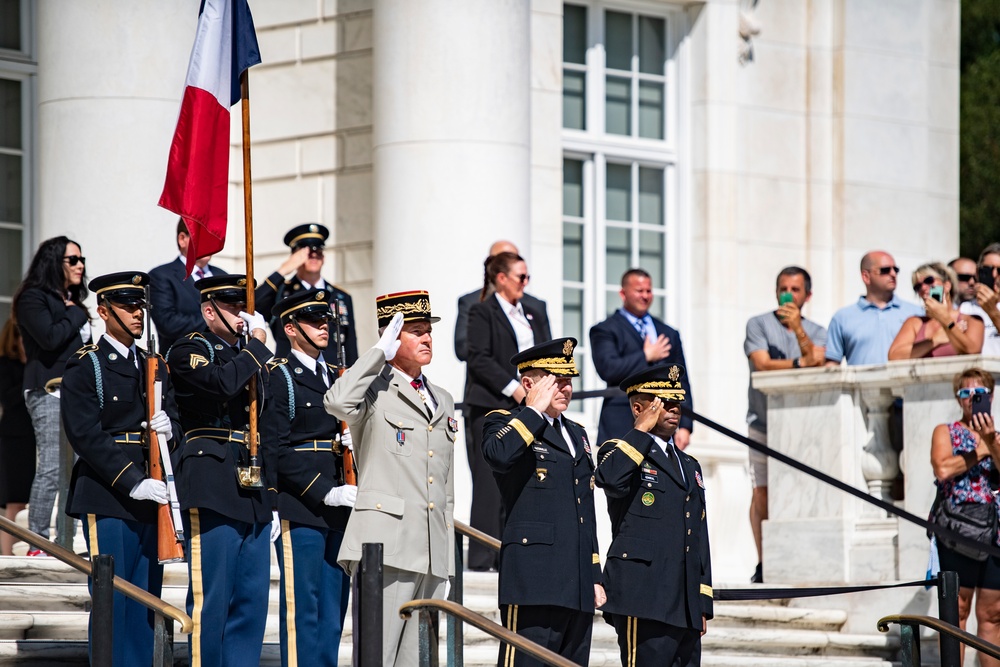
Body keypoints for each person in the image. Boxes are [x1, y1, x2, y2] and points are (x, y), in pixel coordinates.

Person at [324, 292, 455, 667]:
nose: (428, 338)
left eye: (428, 332)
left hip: (429, 550)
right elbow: (336, 402)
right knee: (377, 656)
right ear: (394, 338)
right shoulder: (374, 387)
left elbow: (445, 487)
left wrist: (444, 557)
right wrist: (377, 353)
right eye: (416, 332)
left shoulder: (442, 398)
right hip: (385, 544)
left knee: (418, 661)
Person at [61, 272, 181, 666]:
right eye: (127, 307)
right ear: (103, 311)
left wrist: (171, 427)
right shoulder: (87, 365)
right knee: (114, 598)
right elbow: (85, 434)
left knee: (147, 598)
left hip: (154, 491)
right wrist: (132, 482)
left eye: (140, 307)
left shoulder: (155, 365)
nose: (137, 314)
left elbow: (177, 419)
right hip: (109, 492)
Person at [165, 275, 276, 666]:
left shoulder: (250, 354)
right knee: (213, 598)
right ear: (209, 311)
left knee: (251, 600)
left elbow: (267, 423)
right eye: (232, 308)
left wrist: (273, 497)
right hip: (211, 479)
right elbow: (220, 383)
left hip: (252, 483)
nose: (242, 316)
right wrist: (257, 348)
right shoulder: (189, 349)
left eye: (244, 307)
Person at [482, 337, 605, 667]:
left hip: (576, 581)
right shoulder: (506, 421)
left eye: (568, 381)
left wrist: (594, 572)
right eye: (555, 381)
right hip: (533, 579)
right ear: (528, 384)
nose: (565, 388)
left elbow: (585, 510)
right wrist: (533, 410)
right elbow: (499, 454)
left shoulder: (577, 433)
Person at [595, 364, 712, 667]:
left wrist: (702, 601)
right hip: (643, 596)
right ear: (638, 407)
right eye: (663, 403)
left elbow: (699, 536)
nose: (674, 410)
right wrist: (640, 431)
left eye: (677, 402)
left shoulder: (690, 465)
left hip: (683, 602)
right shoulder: (618, 449)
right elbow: (610, 479)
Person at [264, 288, 355, 666]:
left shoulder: (337, 375)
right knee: (304, 608)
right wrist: (324, 492)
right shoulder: (280, 375)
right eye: (313, 320)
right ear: (290, 328)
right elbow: (276, 448)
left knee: (334, 612)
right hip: (301, 505)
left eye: (326, 320)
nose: (324, 327)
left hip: (340, 505)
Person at [463, 251, 551, 571]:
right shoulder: (481, 312)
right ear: (501, 278)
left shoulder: (532, 313)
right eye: (521, 277)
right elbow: (478, 357)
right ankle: (481, 557)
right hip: (492, 405)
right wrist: (515, 389)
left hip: (527, 407)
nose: (525, 285)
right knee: (488, 483)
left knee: (519, 479)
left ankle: (507, 555)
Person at [743, 266, 826, 584]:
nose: (787, 294)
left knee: (801, 492)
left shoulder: (817, 329)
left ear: (807, 295)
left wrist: (798, 332)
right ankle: (764, 561)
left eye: (795, 289)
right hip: (762, 423)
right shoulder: (758, 324)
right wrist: (798, 362)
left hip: (803, 427)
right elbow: (762, 364)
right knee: (761, 492)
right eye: (782, 288)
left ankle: (795, 556)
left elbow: (818, 363)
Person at [13, 235, 92, 552]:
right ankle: (36, 538)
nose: (80, 265)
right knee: (50, 465)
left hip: (75, 394)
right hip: (48, 389)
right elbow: (49, 337)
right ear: (53, 262)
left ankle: (69, 535)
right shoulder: (33, 298)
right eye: (73, 259)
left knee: (76, 465)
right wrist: (76, 314)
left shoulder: (72, 303)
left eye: (82, 259)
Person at [930, 367, 1000, 666]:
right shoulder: (945, 431)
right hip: (957, 531)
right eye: (965, 393)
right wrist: (981, 451)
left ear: (991, 396)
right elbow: (943, 468)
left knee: (992, 614)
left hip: (994, 533)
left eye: (979, 393)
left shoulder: (996, 437)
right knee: (956, 612)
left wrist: (990, 443)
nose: (973, 399)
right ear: (958, 399)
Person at [590, 268, 693, 449]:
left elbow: (681, 380)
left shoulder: (668, 333)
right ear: (623, 293)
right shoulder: (605, 329)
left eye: (648, 290)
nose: (645, 296)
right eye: (639, 291)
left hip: (663, 428)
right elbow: (608, 369)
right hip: (620, 423)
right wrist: (646, 356)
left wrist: (685, 425)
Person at [255, 223, 358, 367]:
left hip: (333, 375)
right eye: (307, 252)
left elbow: (350, 344)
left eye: (319, 251)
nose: (314, 255)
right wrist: (282, 271)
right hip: (291, 375)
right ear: (295, 256)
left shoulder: (340, 296)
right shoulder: (282, 292)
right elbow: (252, 306)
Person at [454, 240, 547, 363]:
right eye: (503, 259)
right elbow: (463, 350)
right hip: (492, 380)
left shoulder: (535, 306)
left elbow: (547, 351)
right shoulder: (473, 303)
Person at [825, 250, 924, 366]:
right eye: (885, 270)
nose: (893, 274)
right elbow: (832, 365)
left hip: (906, 384)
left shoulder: (917, 312)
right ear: (866, 276)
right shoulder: (842, 318)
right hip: (861, 384)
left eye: (895, 270)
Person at [148, 218, 228, 354]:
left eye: (213, 236)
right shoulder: (161, 276)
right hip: (183, 362)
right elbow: (168, 323)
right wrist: (218, 320)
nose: (210, 242)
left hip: (223, 363)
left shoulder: (222, 276)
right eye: (204, 237)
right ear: (182, 239)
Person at [888, 262, 983, 360]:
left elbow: (972, 351)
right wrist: (934, 340)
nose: (923, 288)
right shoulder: (915, 322)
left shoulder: (971, 319)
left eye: (929, 281)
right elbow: (894, 356)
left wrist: (946, 321)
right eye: (918, 287)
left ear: (947, 286)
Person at [0, 318, 36, 555]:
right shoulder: (6, 364)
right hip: (13, 437)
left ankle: (12, 552)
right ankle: (5, 554)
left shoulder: (32, 365)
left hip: (30, 436)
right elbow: (9, 398)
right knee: (13, 500)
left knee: (23, 499)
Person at [966, 243, 1000, 356]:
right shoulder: (964, 307)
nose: (994, 275)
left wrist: (993, 312)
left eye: (999, 270)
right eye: (988, 270)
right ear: (977, 272)